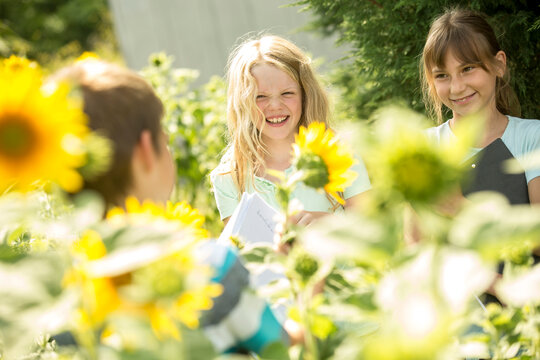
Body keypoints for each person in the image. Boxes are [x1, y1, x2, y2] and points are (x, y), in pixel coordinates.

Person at [51, 59, 300, 355]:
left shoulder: (61, 304)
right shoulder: (211, 270)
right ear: (146, 150)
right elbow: (280, 349)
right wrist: (303, 278)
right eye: (163, 138)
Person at [211, 35, 371, 226]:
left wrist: (329, 224)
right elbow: (241, 249)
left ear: (306, 95)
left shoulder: (340, 152)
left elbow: (369, 229)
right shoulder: (230, 175)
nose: (275, 106)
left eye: (287, 93)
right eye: (260, 96)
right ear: (242, 102)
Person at [422, 8, 540, 204]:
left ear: (498, 64)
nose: (457, 87)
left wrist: (458, 208)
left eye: (468, 69)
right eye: (442, 75)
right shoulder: (425, 148)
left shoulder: (532, 139)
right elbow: (413, 235)